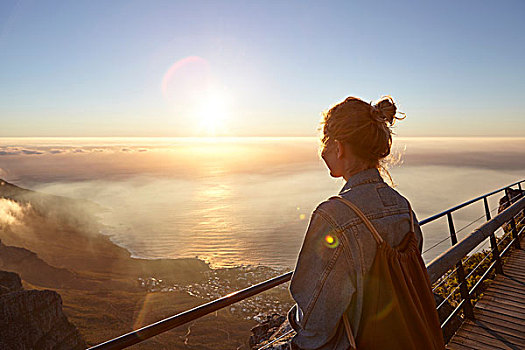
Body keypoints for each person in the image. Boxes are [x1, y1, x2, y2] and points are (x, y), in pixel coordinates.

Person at [287, 96, 445, 349]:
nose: (322, 153)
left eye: (324, 143)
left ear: (339, 147)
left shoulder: (334, 216)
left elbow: (316, 317)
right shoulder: (403, 207)